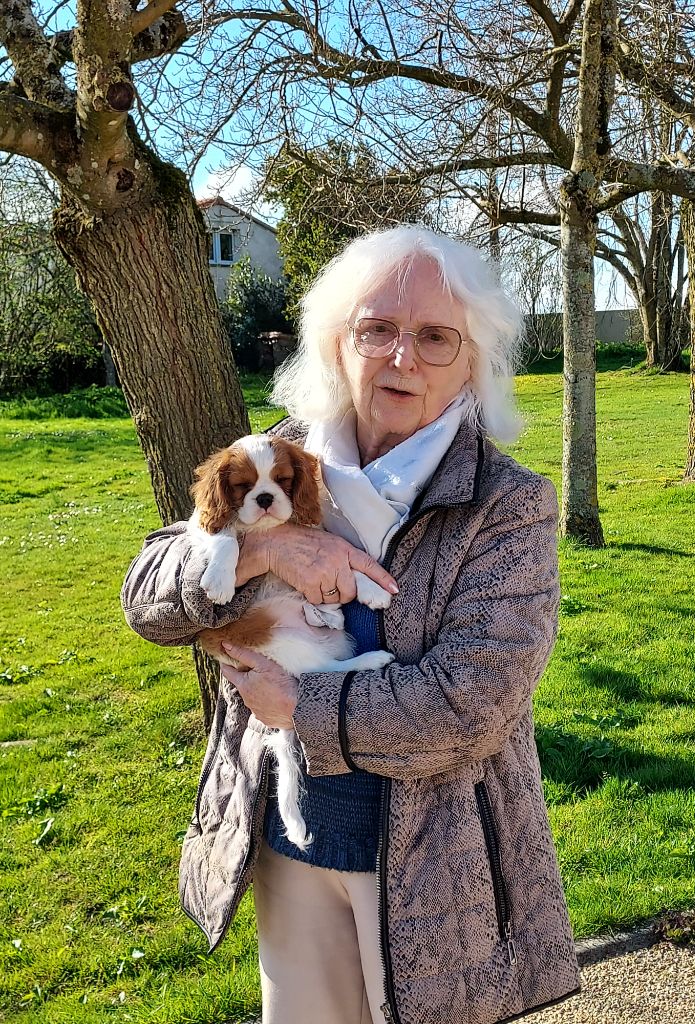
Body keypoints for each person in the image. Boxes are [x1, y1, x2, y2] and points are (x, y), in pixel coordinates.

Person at [121, 225, 580, 1024]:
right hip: (289, 835)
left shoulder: (506, 504)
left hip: (434, 865)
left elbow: (473, 702)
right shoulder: (281, 460)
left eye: (436, 337)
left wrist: (299, 706)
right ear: (338, 342)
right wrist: (266, 551)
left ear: (472, 362)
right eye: (377, 329)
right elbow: (146, 597)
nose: (403, 357)